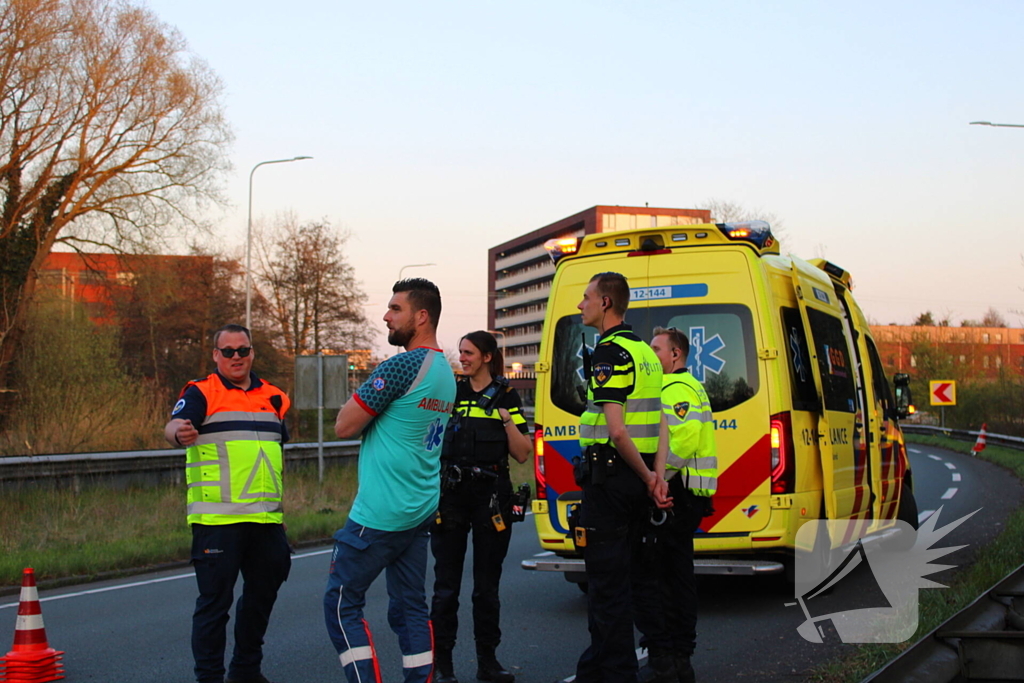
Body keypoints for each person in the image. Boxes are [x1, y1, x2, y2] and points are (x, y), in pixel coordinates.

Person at [324, 278, 457, 683]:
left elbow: (344, 425)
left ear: (421, 316)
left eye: (395, 309)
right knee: (410, 608)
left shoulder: (401, 365)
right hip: (418, 510)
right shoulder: (446, 373)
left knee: (341, 603)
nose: (386, 315)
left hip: (380, 513)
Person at [164, 323, 292, 683]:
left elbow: (272, 461)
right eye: (229, 351)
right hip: (218, 522)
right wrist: (180, 433)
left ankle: (246, 671)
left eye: (243, 350)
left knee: (261, 597)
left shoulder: (275, 397)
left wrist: (280, 516)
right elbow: (173, 426)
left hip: (265, 521)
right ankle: (209, 678)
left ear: (252, 352)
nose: (237, 357)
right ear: (216, 355)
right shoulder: (201, 392)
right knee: (214, 606)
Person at [572, 272, 669, 683]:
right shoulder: (646, 352)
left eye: (586, 297)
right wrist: (657, 476)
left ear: (606, 303)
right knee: (639, 580)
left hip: (613, 481)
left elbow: (616, 430)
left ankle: (616, 674)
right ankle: (614, 668)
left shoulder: (609, 353)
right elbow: (662, 423)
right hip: (639, 481)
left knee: (608, 589)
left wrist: (647, 476)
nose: (581, 304)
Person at [431, 331, 532, 683]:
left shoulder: (506, 395)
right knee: (445, 587)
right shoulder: (451, 393)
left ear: (487, 356)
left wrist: (506, 419)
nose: (463, 358)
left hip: (490, 498)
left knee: (486, 588)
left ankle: (487, 662)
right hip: (451, 496)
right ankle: (443, 665)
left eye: (469, 352)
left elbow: (522, 452)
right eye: (460, 353)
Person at [634, 327, 718, 683]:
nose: (651, 355)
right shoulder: (681, 386)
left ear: (675, 355)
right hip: (682, 494)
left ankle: (668, 659)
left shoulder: (676, 390)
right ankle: (676, 659)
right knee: (674, 576)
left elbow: (680, 443)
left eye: (656, 349)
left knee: (663, 579)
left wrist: (655, 478)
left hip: (676, 494)